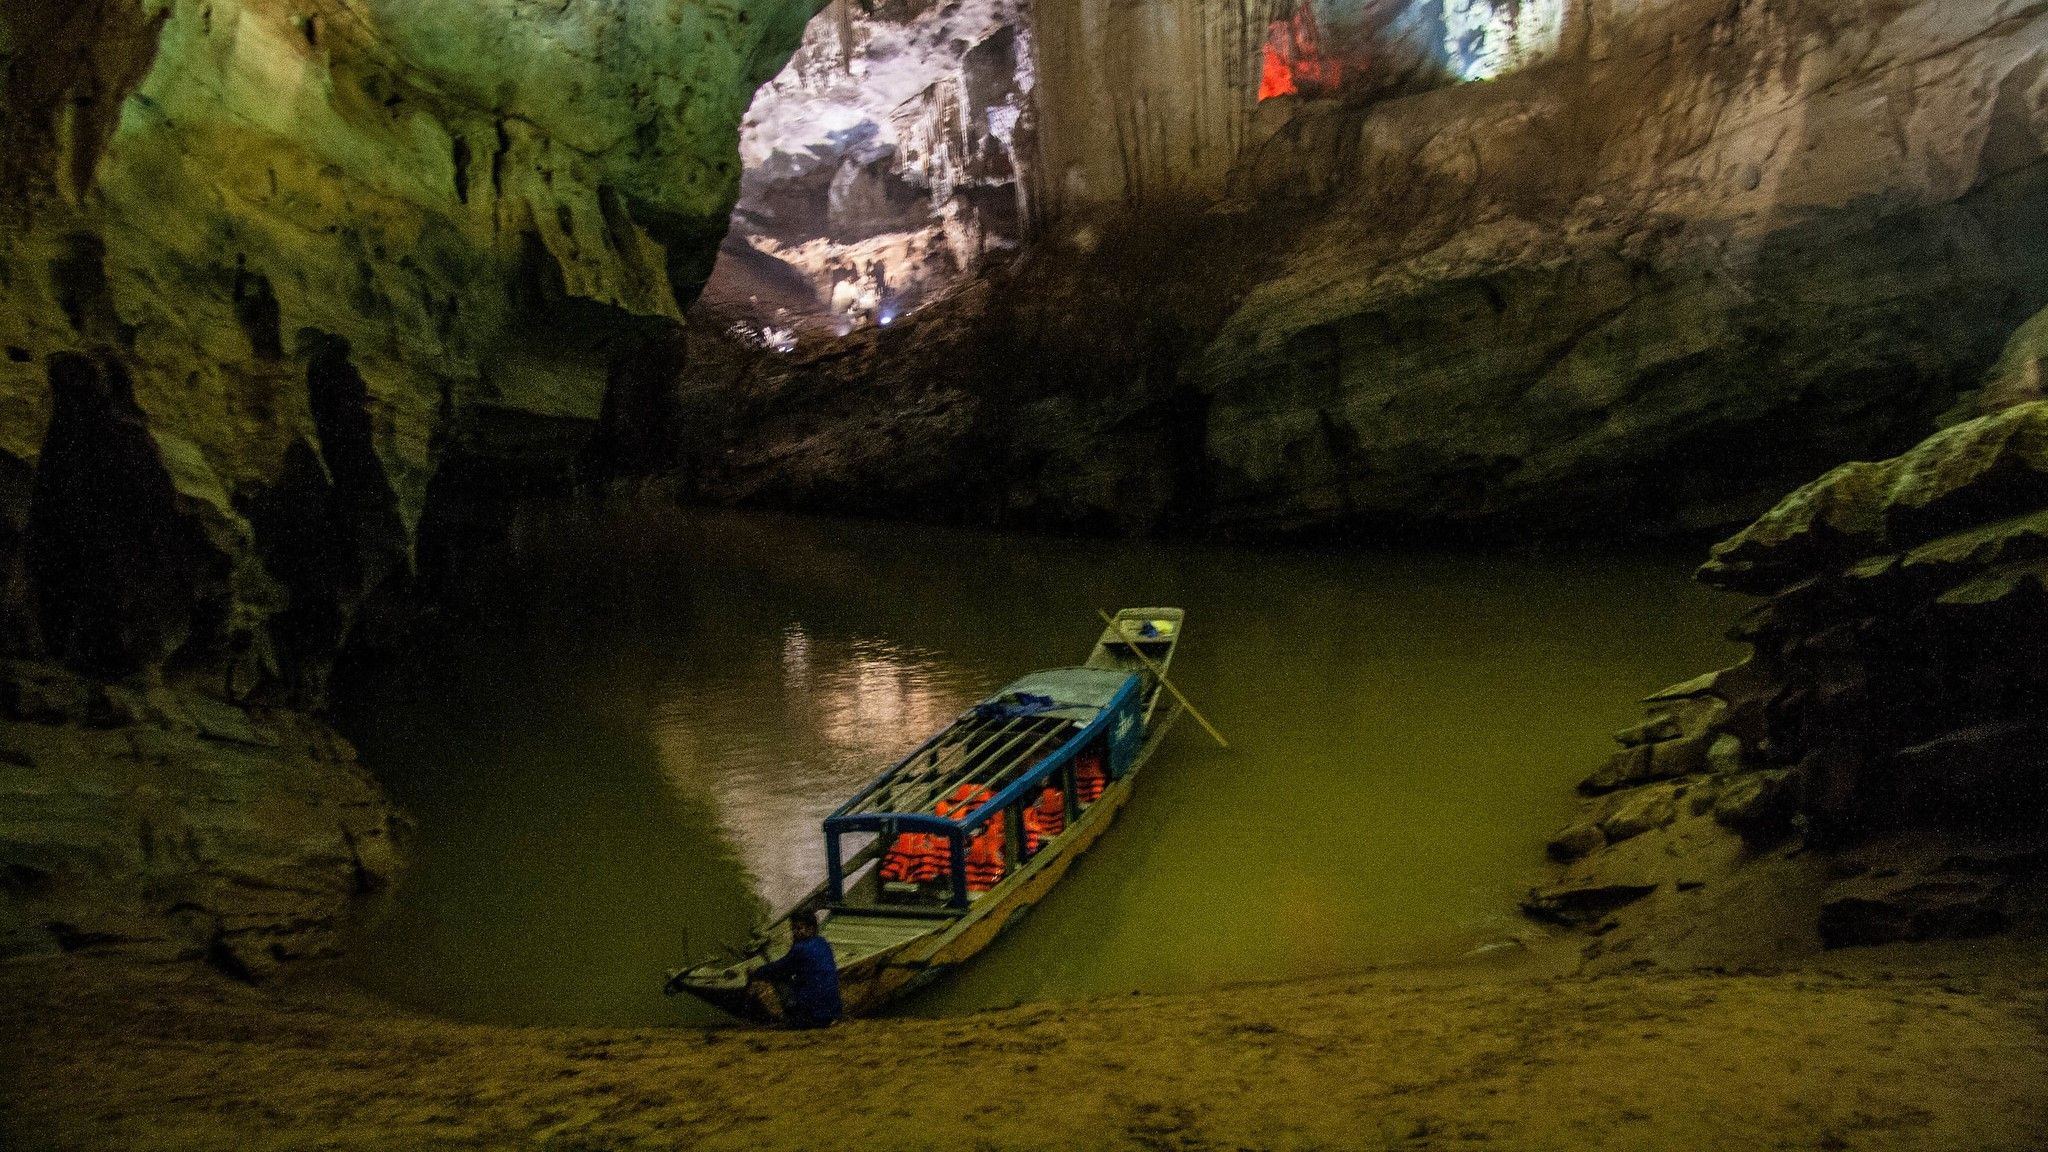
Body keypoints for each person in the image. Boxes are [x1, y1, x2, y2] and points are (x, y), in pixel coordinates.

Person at [750, 908, 842, 1029]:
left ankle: (792, 1017)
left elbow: (779, 968)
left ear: (811, 929)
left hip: (811, 1017)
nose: (795, 932)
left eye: (799, 928)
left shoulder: (800, 949)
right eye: (793, 928)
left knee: (778, 976)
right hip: (833, 1012)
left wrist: (756, 972)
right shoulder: (822, 942)